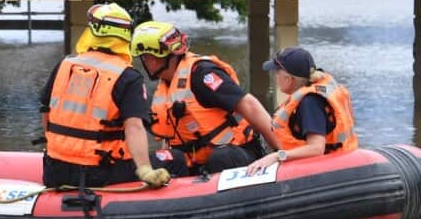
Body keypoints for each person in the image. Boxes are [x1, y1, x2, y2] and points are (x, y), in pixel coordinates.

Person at [40, 2, 185, 188]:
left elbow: (46, 112)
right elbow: (134, 126)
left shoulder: (64, 65)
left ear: (92, 31)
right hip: (99, 173)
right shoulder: (127, 76)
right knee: (177, 158)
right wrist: (145, 170)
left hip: (55, 170)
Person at [130, 21, 281, 173]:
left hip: (237, 151)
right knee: (158, 160)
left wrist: (280, 150)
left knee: (219, 158)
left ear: (156, 57)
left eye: (145, 57)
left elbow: (249, 105)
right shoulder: (166, 85)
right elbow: (170, 134)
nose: (145, 62)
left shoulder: (202, 74)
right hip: (195, 161)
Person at [246, 46, 358, 175]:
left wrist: (276, 156)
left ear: (288, 79)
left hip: (329, 170)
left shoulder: (310, 103)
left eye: (277, 72)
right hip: (341, 161)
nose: (275, 77)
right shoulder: (312, 93)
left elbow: (316, 148)